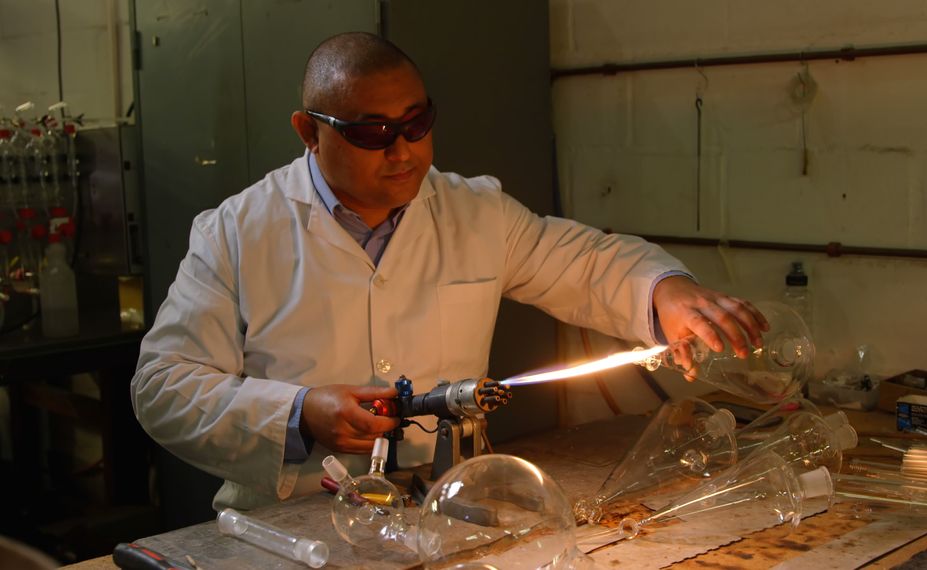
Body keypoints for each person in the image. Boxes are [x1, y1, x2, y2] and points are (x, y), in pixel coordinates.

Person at [131, 32, 768, 510]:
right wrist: (298, 412)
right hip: (292, 528)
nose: (404, 150)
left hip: (449, 513)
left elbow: (581, 261)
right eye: (373, 132)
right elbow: (162, 387)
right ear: (309, 131)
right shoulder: (239, 233)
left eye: (417, 123)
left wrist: (666, 292)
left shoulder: (475, 212)